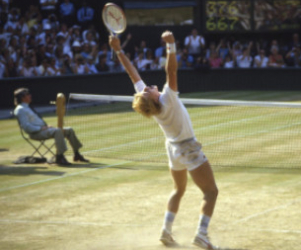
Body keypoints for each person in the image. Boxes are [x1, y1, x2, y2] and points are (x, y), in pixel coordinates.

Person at [109, 31, 219, 249]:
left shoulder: (152, 102)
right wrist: (171, 45)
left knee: (178, 189)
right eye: (147, 89)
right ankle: (202, 234)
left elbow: (133, 75)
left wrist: (118, 50)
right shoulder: (168, 98)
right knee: (211, 192)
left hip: (172, 149)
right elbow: (171, 70)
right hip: (188, 148)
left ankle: (166, 232)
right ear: (151, 97)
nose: (147, 86)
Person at [14, 88, 89, 166]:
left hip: (43, 130)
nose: (30, 96)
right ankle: (60, 157)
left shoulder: (27, 107)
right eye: (27, 95)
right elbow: (26, 127)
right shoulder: (20, 110)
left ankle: (77, 154)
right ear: (22, 98)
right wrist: (40, 128)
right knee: (58, 131)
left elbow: (35, 121)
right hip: (35, 133)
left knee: (69, 130)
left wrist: (46, 127)